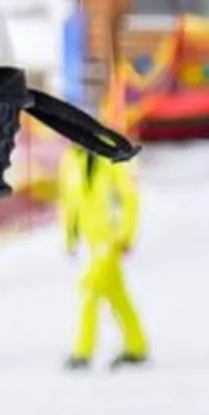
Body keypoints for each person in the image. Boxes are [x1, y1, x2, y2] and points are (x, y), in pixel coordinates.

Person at [59, 140, 150, 370]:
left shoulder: (112, 155)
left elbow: (128, 197)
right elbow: (69, 203)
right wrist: (71, 237)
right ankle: (136, 345)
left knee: (89, 289)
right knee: (117, 294)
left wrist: (126, 234)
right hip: (91, 239)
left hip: (110, 237)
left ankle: (83, 351)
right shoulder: (71, 159)